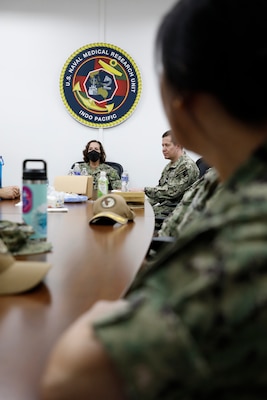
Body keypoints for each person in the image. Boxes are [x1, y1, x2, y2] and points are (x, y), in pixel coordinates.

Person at [40, 0, 267, 398]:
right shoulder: (227, 180)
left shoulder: (247, 231)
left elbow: (69, 378)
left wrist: (110, 312)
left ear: (180, 99)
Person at [144, 130, 199, 219]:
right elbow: (160, 192)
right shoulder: (169, 166)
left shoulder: (187, 166)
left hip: (178, 212)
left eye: (167, 145)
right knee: (137, 212)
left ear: (178, 145)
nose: (163, 149)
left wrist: (144, 190)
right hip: (165, 208)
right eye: (162, 145)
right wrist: (144, 204)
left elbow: (171, 192)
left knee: (143, 217)